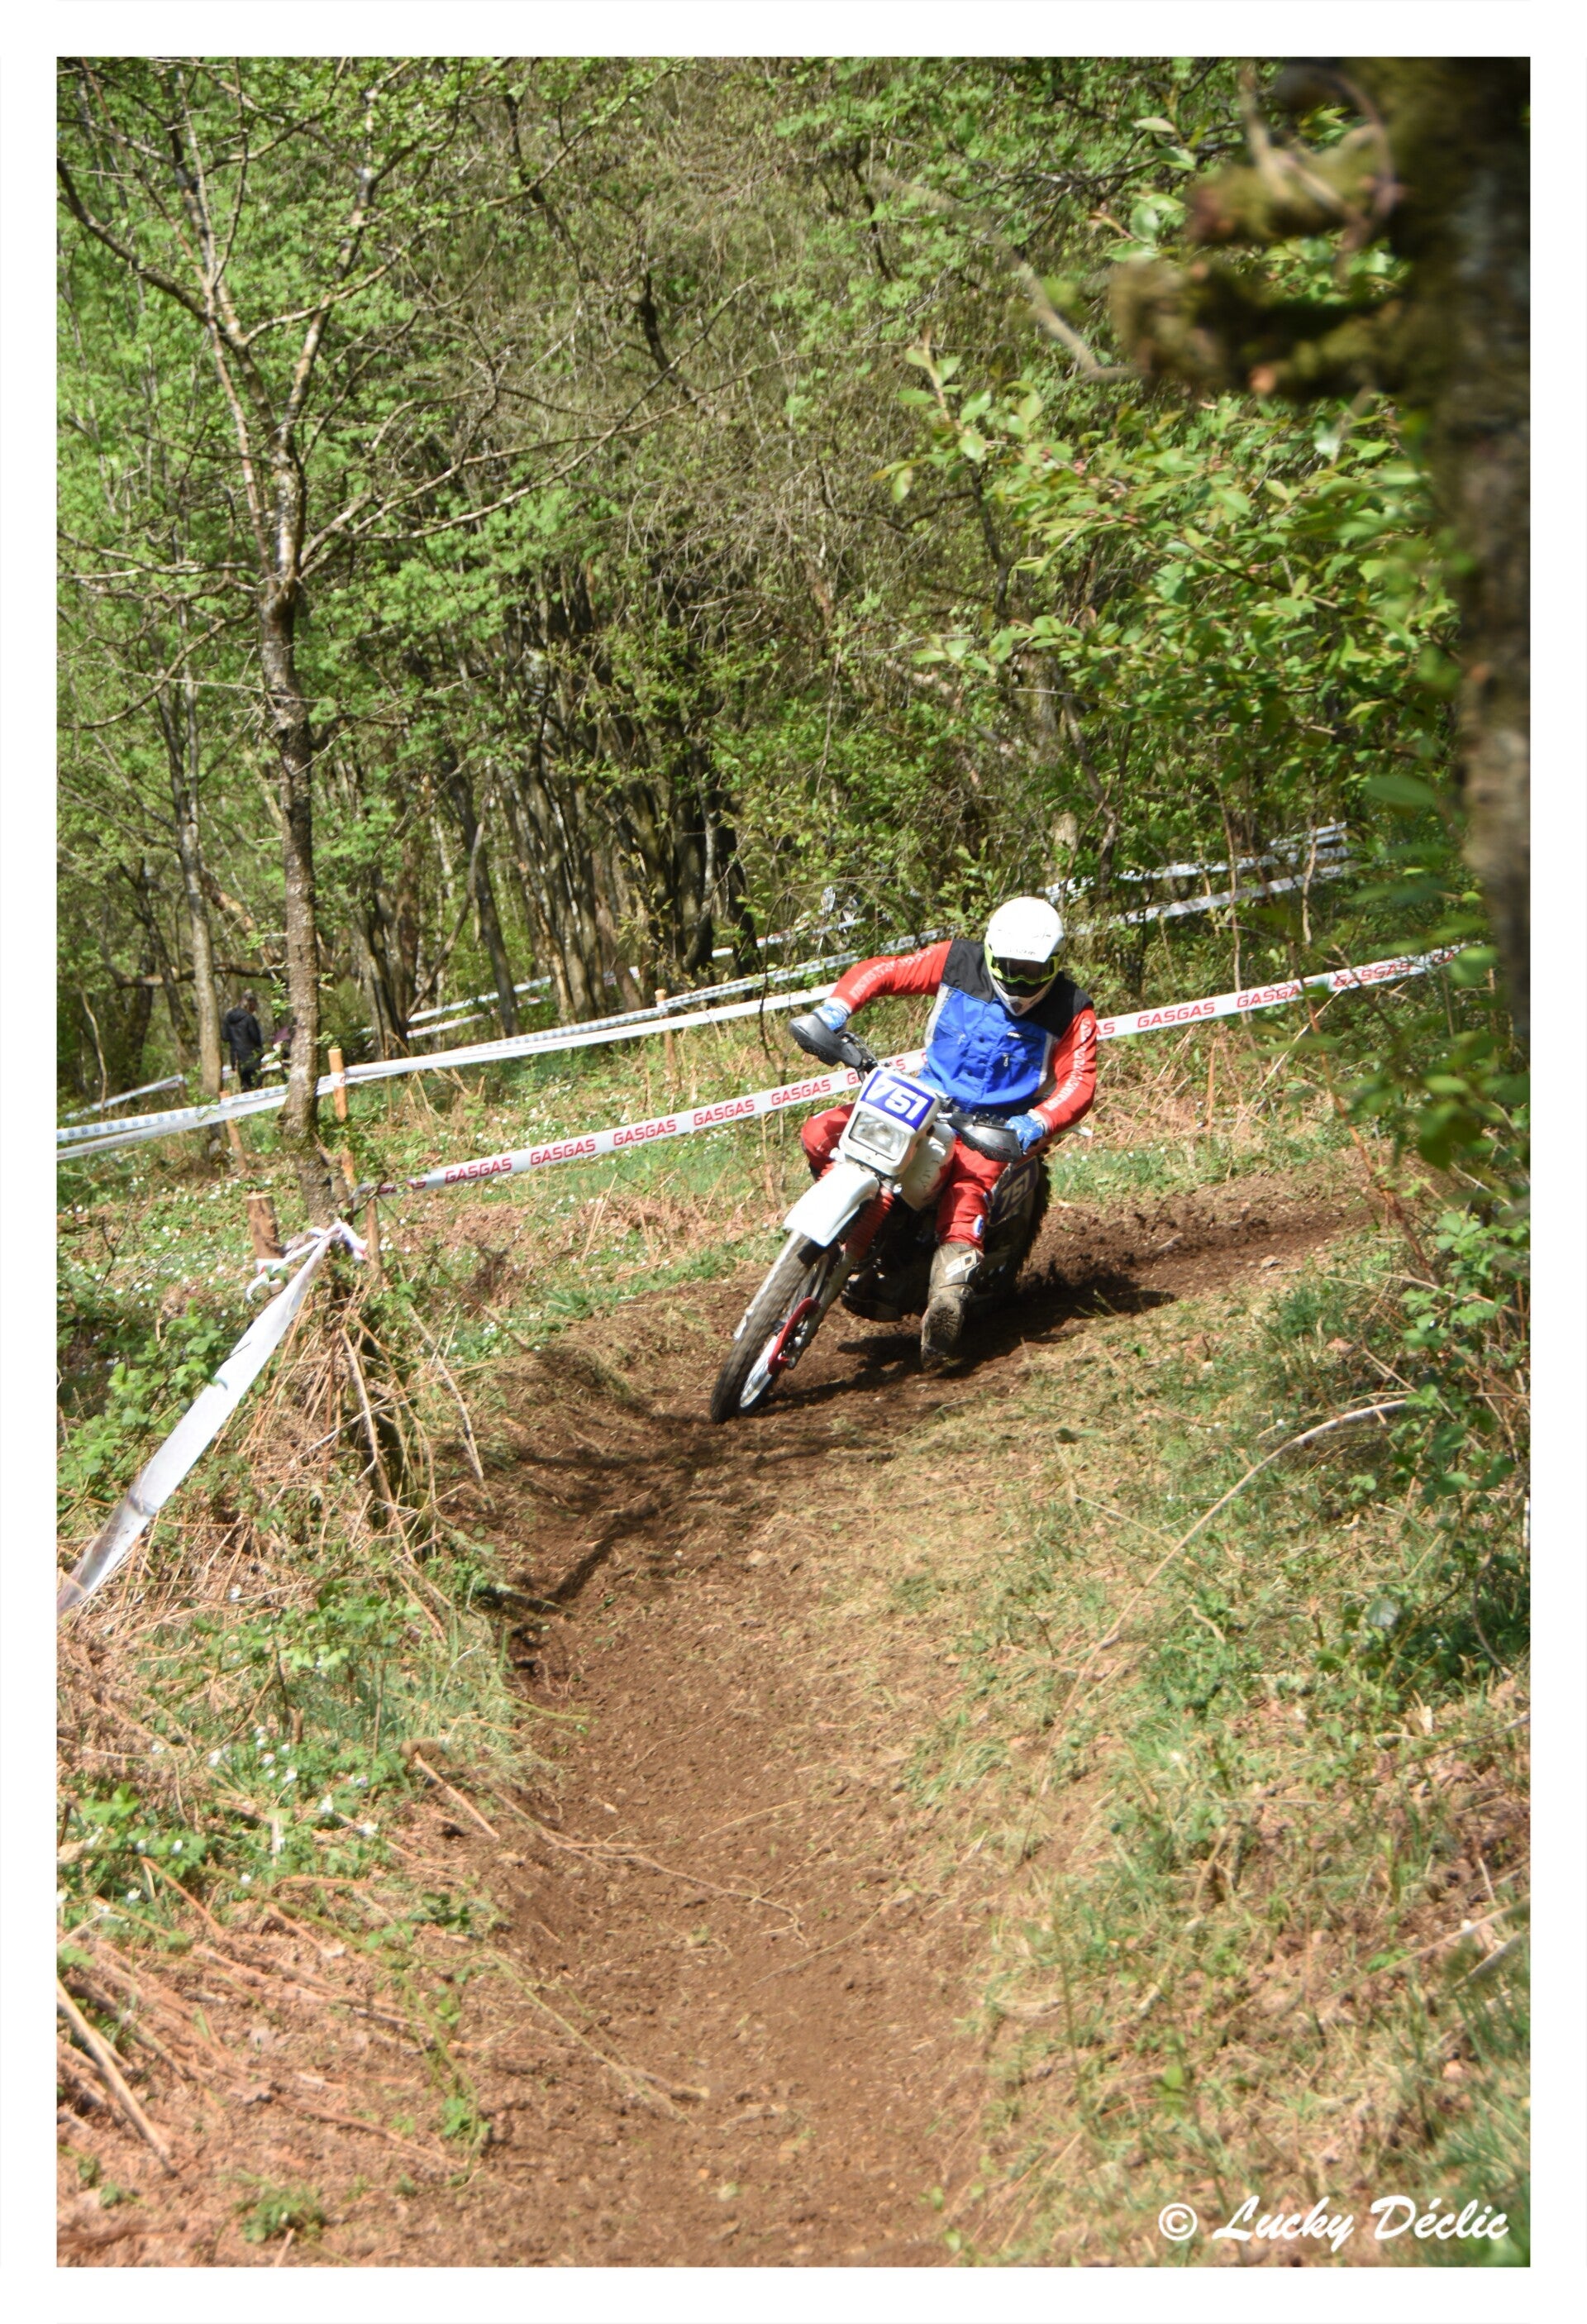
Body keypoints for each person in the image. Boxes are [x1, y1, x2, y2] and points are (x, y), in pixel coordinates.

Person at [790, 897, 1097, 1367]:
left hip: (997, 1125)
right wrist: (836, 1010)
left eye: (1033, 971)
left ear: (1055, 963)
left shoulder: (1072, 1008)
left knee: (966, 1192)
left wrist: (1036, 1122)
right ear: (990, 954)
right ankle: (851, 1221)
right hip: (928, 1098)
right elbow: (885, 971)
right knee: (820, 1133)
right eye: (1010, 968)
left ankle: (945, 1304)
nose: (1020, 981)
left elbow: (1080, 1082)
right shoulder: (958, 961)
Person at [221, 990, 265, 1090]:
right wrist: (260, 1051)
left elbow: (225, 1037)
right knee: (257, 1087)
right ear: (250, 1004)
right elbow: (255, 1037)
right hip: (252, 1057)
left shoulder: (228, 1018)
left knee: (245, 1086)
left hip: (237, 1058)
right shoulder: (249, 1018)